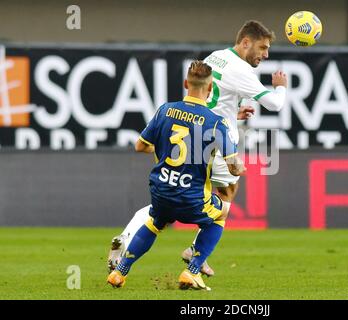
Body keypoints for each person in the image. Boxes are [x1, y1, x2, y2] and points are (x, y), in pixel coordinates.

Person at [107, 20, 287, 276]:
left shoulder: (217, 57)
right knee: (226, 197)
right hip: (216, 144)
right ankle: (196, 253)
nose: (266, 54)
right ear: (246, 42)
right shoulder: (242, 71)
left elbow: (208, 99)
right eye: (263, 47)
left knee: (164, 207)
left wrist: (232, 113)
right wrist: (280, 86)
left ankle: (125, 238)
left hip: (193, 137)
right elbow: (275, 105)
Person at [107, 61, 245, 290]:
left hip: (162, 191)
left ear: (185, 83)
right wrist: (239, 168)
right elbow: (233, 168)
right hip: (192, 197)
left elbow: (140, 146)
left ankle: (120, 272)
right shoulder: (216, 123)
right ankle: (192, 271)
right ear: (210, 88)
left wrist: (163, 150)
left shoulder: (165, 110)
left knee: (155, 222)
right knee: (220, 215)